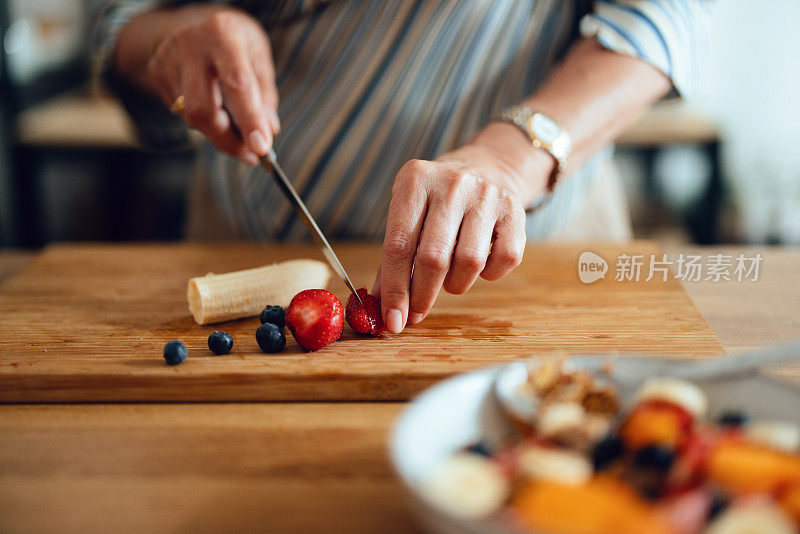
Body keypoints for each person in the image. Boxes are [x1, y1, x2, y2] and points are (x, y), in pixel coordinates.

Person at [96, 0, 713, 334]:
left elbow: (667, 13)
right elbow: (118, 25)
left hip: (538, 254)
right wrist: (171, 32)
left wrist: (509, 154)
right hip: (240, 229)